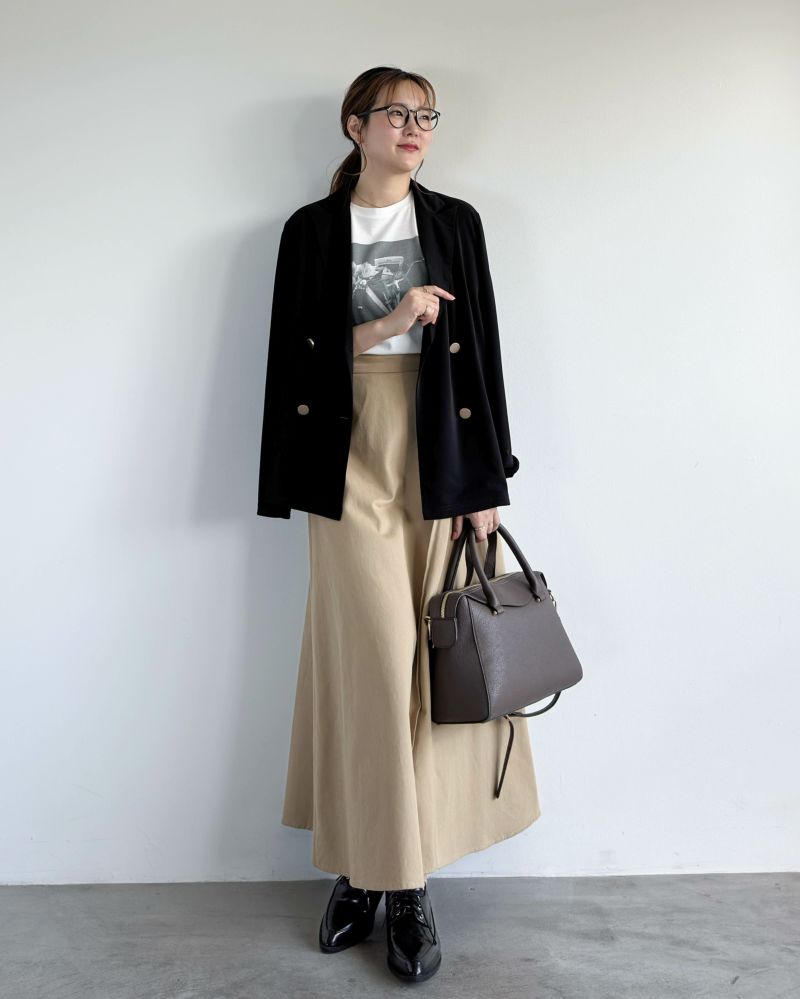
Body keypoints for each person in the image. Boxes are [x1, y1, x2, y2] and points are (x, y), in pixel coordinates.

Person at [257, 66, 542, 985]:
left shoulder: (455, 223)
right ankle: (374, 869)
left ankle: (397, 880)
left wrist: (489, 479)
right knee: (373, 668)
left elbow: (484, 349)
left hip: (443, 449)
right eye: (396, 113)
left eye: (426, 115)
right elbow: (294, 360)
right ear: (356, 126)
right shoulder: (311, 231)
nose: (414, 127)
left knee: (434, 664)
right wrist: (390, 320)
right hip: (348, 454)